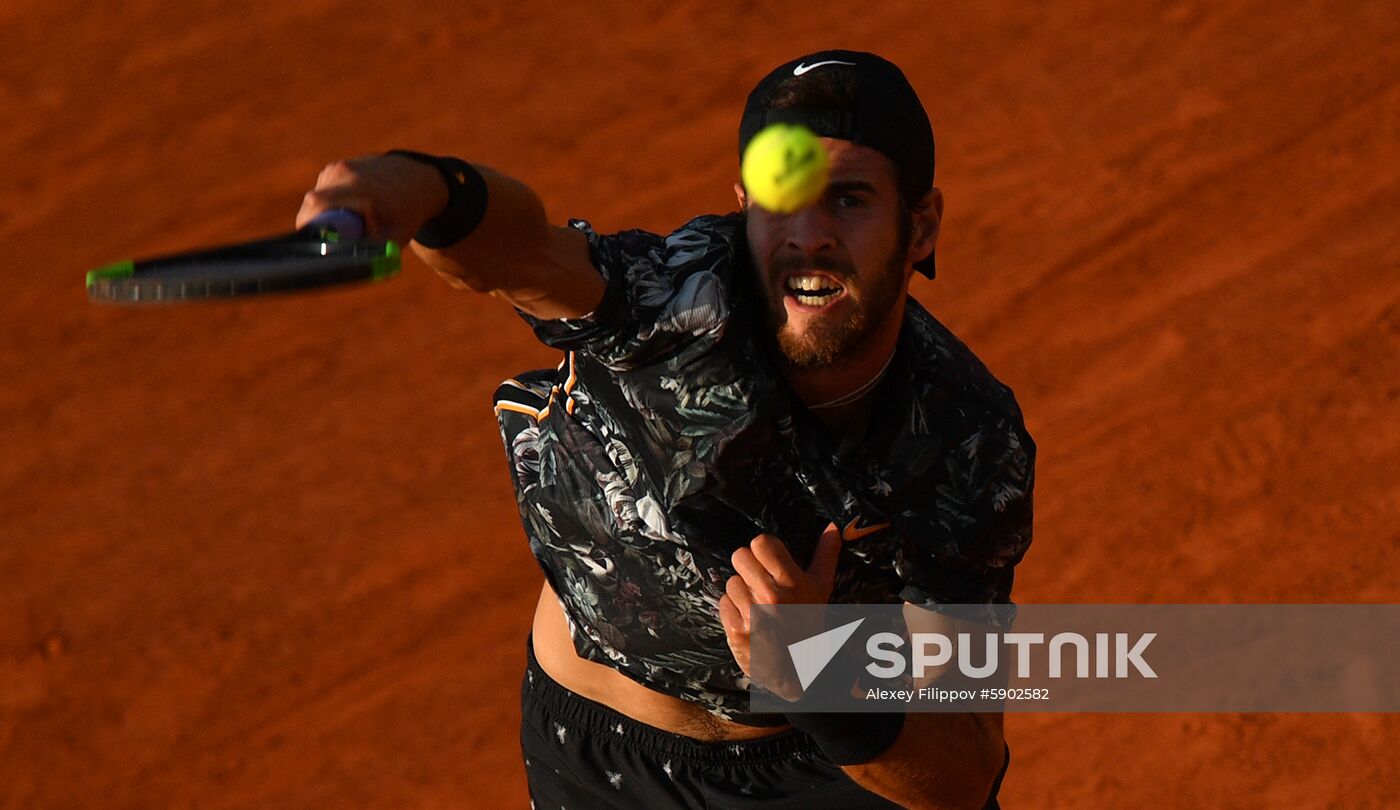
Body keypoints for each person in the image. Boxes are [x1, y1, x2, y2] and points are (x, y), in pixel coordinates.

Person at [298, 49, 1034, 810]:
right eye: (783, 199)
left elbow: (964, 767)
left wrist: (815, 675)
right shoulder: (671, 304)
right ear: (744, 204)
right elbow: (522, 252)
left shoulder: (968, 439)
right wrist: (421, 187)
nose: (808, 235)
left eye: (848, 200)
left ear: (921, 225)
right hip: (604, 758)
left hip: (830, 748)